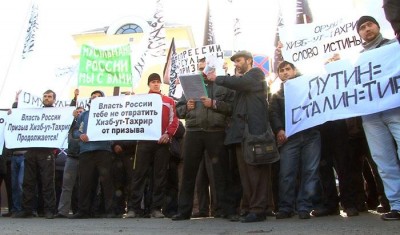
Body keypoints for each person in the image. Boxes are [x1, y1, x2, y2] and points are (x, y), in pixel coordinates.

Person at [205, 50, 270, 223]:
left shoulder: (256, 74)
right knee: (245, 174)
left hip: (254, 133)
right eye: (234, 61)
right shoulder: (241, 85)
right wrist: (215, 104)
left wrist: (218, 78)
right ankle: (248, 207)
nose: (236, 64)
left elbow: (240, 83)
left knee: (256, 173)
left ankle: (258, 209)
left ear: (249, 61)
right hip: (241, 135)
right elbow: (233, 107)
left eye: (239, 60)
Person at [172, 58, 236, 221]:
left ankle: (226, 210)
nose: (203, 71)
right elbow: (179, 111)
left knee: (221, 173)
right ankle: (184, 211)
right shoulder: (189, 87)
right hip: (193, 132)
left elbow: (232, 108)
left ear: (214, 70)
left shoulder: (224, 86)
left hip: (216, 132)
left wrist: (214, 104)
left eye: (207, 68)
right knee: (188, 173)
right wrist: (187, 107)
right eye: (200, 68)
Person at [356, 15, 400, 221]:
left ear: (378, 26)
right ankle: (397, 204)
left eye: (369, 25)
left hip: (395, 109)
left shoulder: (394, 46)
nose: (367, 29)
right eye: (362, 27)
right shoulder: (357, 59)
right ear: (359, 34)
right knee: (384, 160)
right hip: (371, 116)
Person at [268, 61, 321, 220]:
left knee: (310, 171)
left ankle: (304, 207)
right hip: (290, 138)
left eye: (288, 69)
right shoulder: (277, 95)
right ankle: (286, 207)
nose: (285, 72)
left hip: (311, 134)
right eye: (281, 70)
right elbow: (274, 113)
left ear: (294, 70)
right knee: (286, 173)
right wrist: (279, 129)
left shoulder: (309, 86)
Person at [130, 73, 179, 218]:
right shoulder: (140, 99)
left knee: (160, 176)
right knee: (139, 175)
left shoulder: (169, 101)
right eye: (153, 82)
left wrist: (167, 135)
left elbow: (174, 120)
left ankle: (156, 208)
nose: (156, 84)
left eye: (158, 82)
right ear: (149, 84)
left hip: (162, 142)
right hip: (144, 142)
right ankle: (134, 208)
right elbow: (132, 119)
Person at [14, 90, 58, 219]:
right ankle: (27, 209)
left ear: (54, 99)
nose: (47, 98)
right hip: (32, 149)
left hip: (47, 151)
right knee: (28, 181)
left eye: (49, 97)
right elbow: (19, 117)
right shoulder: (35, 112)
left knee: (47, 181)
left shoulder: (59, 114)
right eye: (45, 96)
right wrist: (14, 109)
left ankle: (49, 210)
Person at [70, 90, 115, 219]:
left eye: (98, 97)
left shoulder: (109, 114)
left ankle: (109, 210)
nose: (94, 99)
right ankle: (84, 210)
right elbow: (76, 132)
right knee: (85, 182)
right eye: (93, 97)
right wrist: (81, 135)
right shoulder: (83, 115)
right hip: (86, 152)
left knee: (107, 182)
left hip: (103, 150)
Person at [55, 106, 84, 218]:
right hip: (72, 157)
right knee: (67, 186)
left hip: (84, 157)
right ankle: (63, 211)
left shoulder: (88, 123)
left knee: (83, 186)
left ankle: (82, 210)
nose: (79, 114)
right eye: (77, 112)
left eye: (82, 112)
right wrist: (71, 118)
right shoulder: (71, 124)